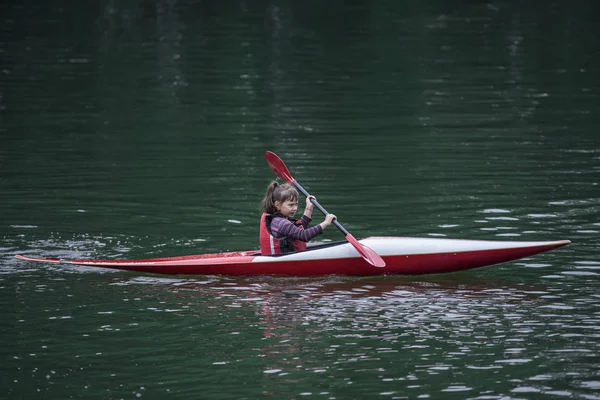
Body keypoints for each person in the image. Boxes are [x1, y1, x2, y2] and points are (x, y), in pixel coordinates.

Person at [259, 181, 336, 255]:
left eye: (296, 204)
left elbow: (301, 227)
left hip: (287, 258)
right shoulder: (281, 223)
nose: (295, 208)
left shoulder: (281, 219)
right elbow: (304, 235)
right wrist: (325, 223)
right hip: (281, 262)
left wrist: (309, 207)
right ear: (277, 205)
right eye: (291, 205)